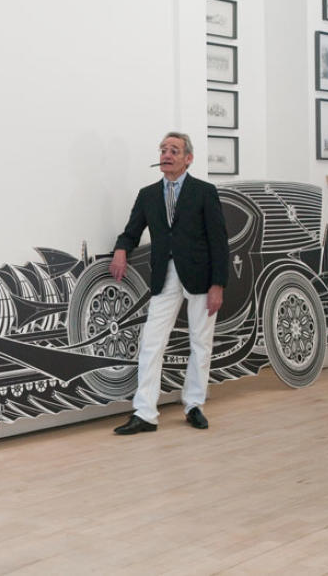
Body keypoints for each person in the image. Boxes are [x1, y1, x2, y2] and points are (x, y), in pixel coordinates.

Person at [108, 132, 229, 434]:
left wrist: (218, 284)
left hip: (201, 277)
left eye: (174, 150)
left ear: (188, 158)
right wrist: (121, 250)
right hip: (165, 275)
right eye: (163, 149)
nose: (167, 155)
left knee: (200, 342)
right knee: (151, 343)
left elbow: (219, 241)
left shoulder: (204, 192)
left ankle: (194, 405)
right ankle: (145, 413)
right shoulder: (148, 194)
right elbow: (131, 232)